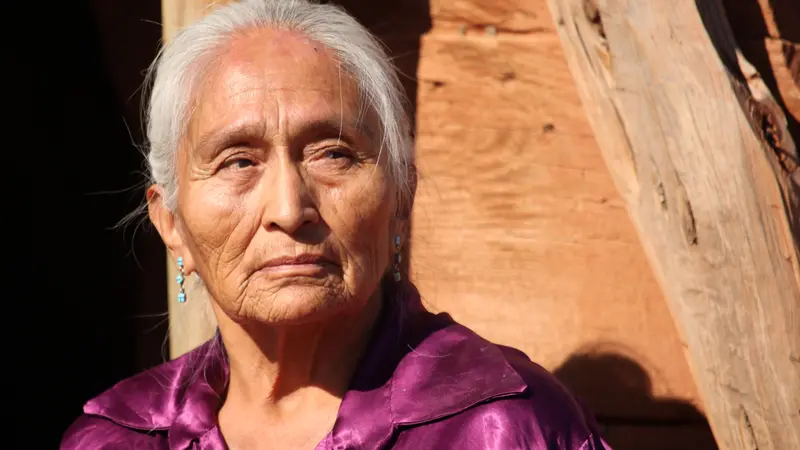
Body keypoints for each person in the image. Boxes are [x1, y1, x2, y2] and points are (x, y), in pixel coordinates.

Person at [61, 0, 609, 448]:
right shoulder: (117, 438)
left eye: (334, 154)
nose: (287, 209)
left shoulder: (503, 431)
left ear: (401, 197)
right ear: (171, 221)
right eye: (238, 161)